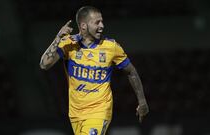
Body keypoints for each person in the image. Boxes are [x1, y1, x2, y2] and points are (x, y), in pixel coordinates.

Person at [40, 6, 149, 135]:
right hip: (76, 113)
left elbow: (131, 72)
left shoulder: (111, 47)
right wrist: (58, 38)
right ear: (83, 26)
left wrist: (142, 102)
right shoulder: (68, 44)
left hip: (99, 111)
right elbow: (44, 64)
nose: (102, 25)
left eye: (102, 21)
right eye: (97, 22)